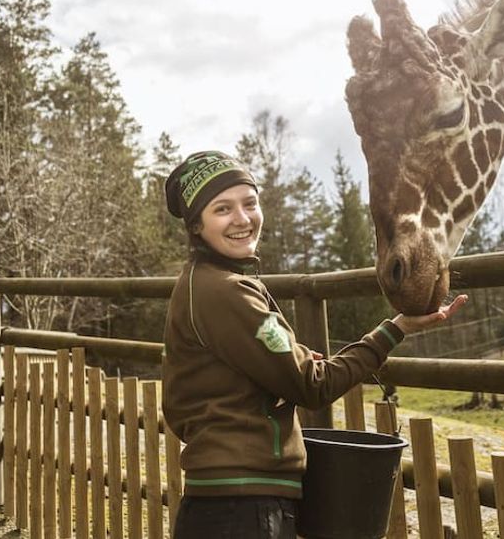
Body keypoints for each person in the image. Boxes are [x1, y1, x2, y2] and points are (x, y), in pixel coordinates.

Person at [162, 150, 467, 539]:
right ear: (196, 226)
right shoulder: (226, 293)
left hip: (224, 503)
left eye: (250, 203)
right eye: (222, 209)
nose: (242, 219)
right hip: (242, 511)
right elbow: (312, 383)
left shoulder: (202, 283)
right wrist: (394, 331)